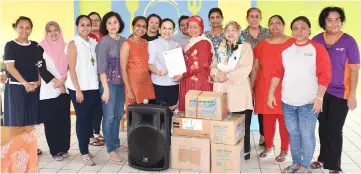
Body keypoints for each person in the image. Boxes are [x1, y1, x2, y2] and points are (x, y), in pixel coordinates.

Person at [268, 16, 332, 173]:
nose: (299, 31)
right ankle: (296, 163)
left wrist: (319, 98)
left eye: (303, 27)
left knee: (306, 134)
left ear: (309, 30)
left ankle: (305, 166)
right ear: (292, 31)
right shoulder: (286, 51)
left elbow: (325, 75)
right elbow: (276, 74)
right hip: (288, 102)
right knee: (294, 134)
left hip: (309, 102)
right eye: (295, 28)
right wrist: (270, 93)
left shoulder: (317, 49)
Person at [311, 7, 360, 173]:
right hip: (320, 92)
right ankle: (322, 157)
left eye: (337, 19)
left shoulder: (349, 41)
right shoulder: (316, 40)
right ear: (323, 22)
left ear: (342, 20)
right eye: (330, 20)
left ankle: (334, 165)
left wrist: (352, 94)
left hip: (341, 93)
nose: (334, 23)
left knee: (334, 128)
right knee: (323, 126)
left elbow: (354, 69)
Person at [250, 15, 293, 163]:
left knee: (284, 121)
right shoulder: (262, 44)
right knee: (267, 119)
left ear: (283, 25)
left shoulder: (292, 42)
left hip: (285, 88)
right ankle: (268, 147)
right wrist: (251, 87)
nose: (275, 26)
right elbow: (255, 67)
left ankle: (284, 150)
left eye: (278, 23)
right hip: (263, 86)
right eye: (272, 23)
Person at [211, 21, 253, 157]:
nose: (230, 32)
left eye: (234, 30)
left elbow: (245, 68)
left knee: (241, 123)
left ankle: (243, 151)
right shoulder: (220, 48)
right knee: (224, 124)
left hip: (238, 89)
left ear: (239, 32)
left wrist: (227, 75)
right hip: (221, 89)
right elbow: (213, 65)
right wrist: (217, 74)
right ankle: (225, 151)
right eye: (227, 30)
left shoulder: (245, 47)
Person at [65, 15, 102, 166]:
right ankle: (83, 152)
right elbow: (71, 69)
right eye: (82, 25)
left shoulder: (93, 42)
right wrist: (78, 90)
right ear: (77, 26)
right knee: (82, 120)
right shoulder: (74, 44)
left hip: (92, 87)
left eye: (89, 24)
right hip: (78, 88)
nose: (86, 27)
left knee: (91, 119)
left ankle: (85, 147)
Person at [3, 16, 43, 155]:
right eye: (21, 27)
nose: (24, 30)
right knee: (18, 118)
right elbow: (10, 67)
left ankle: (30, 146)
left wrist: (38, 81)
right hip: (16, 87)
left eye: (27, 27)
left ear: (31, 29)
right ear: (16, 28)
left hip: (33, 86)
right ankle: (17, 147)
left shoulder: (35, 45)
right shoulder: (10, 45)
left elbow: (39, 66)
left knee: (30, 118)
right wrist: (24, 83)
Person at [96, 11, 127, 162]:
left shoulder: (125, 41)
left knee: (118, 115)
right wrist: (106, 89)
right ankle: (110, 148)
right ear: (105, 26)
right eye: (109, 23)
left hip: (121, 85)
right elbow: (101, 68)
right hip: (108, 85)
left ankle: (115, 142)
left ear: (120, 23)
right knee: (109, 117)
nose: (113, 25)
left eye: (115, 22)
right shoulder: (103, 43)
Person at [37, 21, 71, 161]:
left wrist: (63, 81)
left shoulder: (66, 46)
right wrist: (57, 81)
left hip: (64, 89)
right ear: (46, 33)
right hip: (49, 90)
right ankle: (55, 150)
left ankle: (64, 148)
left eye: (55, 30)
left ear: (60, 31)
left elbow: (70, 65)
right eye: (49, 31)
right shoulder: (40, 47)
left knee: (64, 120)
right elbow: (41, 68)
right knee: (51, 122)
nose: (53, 33)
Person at [242, 7, 271, 147]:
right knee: (246, 108)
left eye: (257, 16)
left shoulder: (268, 33)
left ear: (261, 17)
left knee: (262, 108)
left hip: (265, 75)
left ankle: (264, 136)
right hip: (245, 77)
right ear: (247, 18)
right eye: (251, 16)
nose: (254, 18)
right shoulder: (241, 35)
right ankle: (242, 137)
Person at [176, 15, 213, 112]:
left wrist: (182, 74)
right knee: (190, 115)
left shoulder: (204, 43)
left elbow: (200, 65)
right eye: (190, 27)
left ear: (202, 27)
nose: (193, 30)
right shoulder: (191, 42)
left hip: (199, 83)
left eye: (196, 27)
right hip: (188, 80)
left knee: (198, 113)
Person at [120, 16, 155, 106]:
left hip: (146, 83)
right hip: (133, 85)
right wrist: (129, 91)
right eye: (138, 26)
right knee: (134, 116)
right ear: (132, 27)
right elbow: (123, 69)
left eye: (144, 26)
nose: (141, 29)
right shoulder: (126, 44)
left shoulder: (145, 42)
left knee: (147, 116)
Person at [148, 18, 180, 115]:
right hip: (159, 85)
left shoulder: (176, 45)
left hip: (174, 84)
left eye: (170, 28)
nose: (167, 31)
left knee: (171, 113)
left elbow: (179, 65)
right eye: (164, 28)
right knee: (158, 116)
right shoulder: (153, 44)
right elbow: (149, 64)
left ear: (173, 30)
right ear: (159, 30)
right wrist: (158, 72)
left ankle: (169, 131)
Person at [88, 12, 105, 145]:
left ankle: (96, 131)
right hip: (90, 77)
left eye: (97, 20)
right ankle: (90, 134)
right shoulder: (86, 38)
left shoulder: (105, 36)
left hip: (104, 77)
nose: (94, 22)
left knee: (100, 106)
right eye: (91, 20)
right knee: (91, 107)